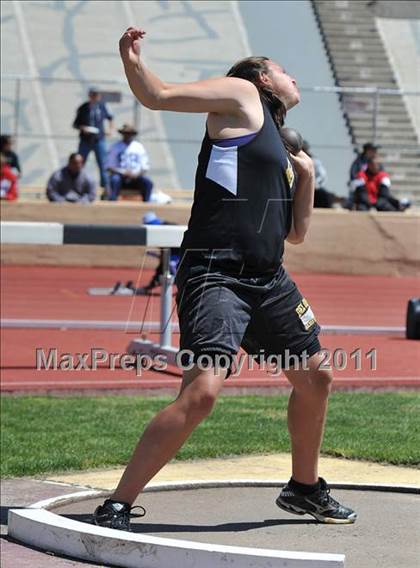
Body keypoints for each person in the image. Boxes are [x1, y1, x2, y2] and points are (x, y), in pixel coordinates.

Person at [93, 27, 357, 531]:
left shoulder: (279, 147)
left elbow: (297, 234)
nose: (293, 75)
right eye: (285, 69)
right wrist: (132, 60)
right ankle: (118, 503)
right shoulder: (243, 96)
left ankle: (303, 489)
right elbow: (158, 96)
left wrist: (303, 177)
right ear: (263, 77)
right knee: (203, 392)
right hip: (216, 271)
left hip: (268, 277)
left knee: (317, 375)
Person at [73, 87, 113, 190]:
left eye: (97, 95)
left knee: (103, 164)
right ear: (90, 96)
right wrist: (83, 128)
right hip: (85, 140)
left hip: (99, 139)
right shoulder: (83, 108)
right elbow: (76, 124)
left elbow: (110, 118)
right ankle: (77, 185)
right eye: (93, 95)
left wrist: (110, 129)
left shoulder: (102, 107)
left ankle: (106, 188)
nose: (95, 97)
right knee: (80, 163)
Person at [105, 124, 154, 201]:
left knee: (147, 182)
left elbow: (144, 167)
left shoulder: (139, 147)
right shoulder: (115, 147)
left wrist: (136, 174)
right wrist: (123, 173)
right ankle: (112, 203)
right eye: (126, 133)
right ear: (122, 134)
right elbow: (109, 167)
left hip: (136, 178)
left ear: (133, 134)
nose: (127, 135)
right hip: (120, 178)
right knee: (114, 179)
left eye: (129, 133)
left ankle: (146, 205)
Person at [302, 140, 337, 208]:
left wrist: (315, 184)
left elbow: (322, 175)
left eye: (303, 149)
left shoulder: (314, 161)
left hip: (314, 188)